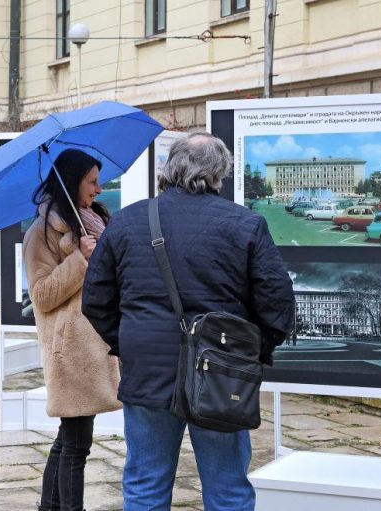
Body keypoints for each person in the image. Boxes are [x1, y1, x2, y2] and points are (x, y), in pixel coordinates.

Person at [82, 133, 295, 511]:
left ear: (169, 170)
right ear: (219, 174)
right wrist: (248, 353)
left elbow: (96, 300)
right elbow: (277, 305)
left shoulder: (127, 222)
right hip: (221, 372)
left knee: (145, 486)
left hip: (148, 370)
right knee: (227, 489)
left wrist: (130, 342)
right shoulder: (245, 224)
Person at [23, 149, 122, 511]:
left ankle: (50, 506)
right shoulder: (41, 233)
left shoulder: (92, 221)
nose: (98, 189)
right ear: (72, 181)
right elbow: (42, 295)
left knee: (70, 438)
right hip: (71, 350)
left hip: (96, 343)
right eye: (92, 182)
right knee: (78, 444)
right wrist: (80, 259)